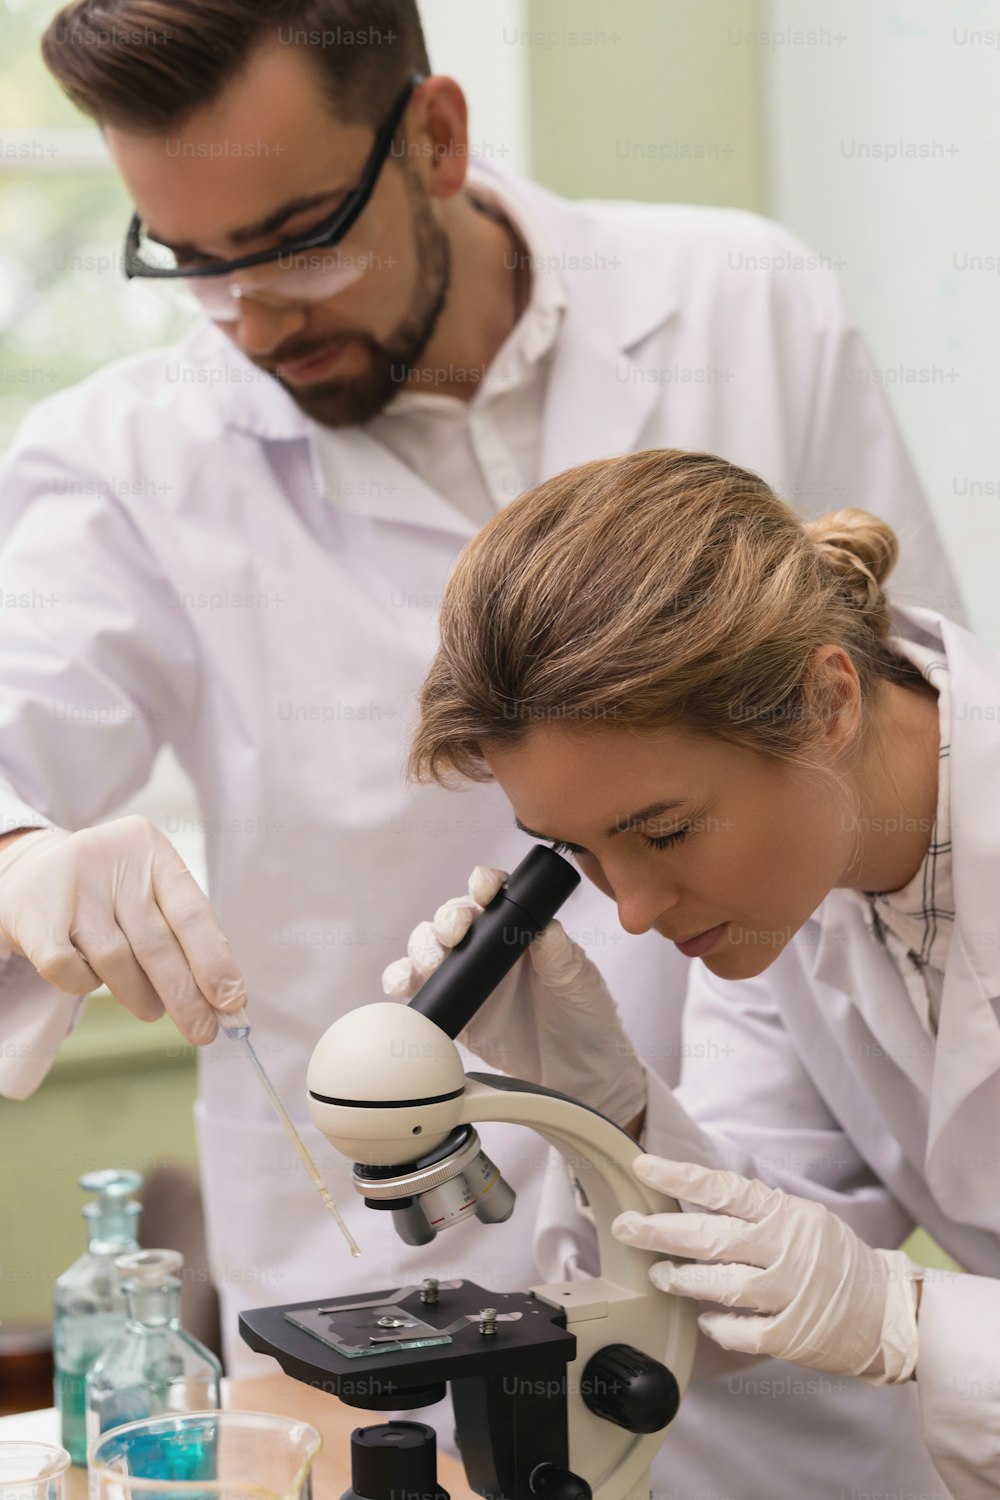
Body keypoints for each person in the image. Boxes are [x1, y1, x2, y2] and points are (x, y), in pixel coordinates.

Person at [0, 1, 960, 1494]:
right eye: (194, 266)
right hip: (400, 1247)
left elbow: (913, 754)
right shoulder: (131, 461)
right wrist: (26, 853)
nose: (252, 321)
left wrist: (898, 1309)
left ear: (435, 137)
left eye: (298, 239)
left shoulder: (743, 303)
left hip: (790, 1254)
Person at [392, 446, 1000, 1500]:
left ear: (826, 702)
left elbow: (853, 1296)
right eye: (579, 855)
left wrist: (911, 1321)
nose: (631, 912)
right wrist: (602, 1109)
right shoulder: (800, 883)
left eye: (662, 832)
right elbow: (745, 1294)